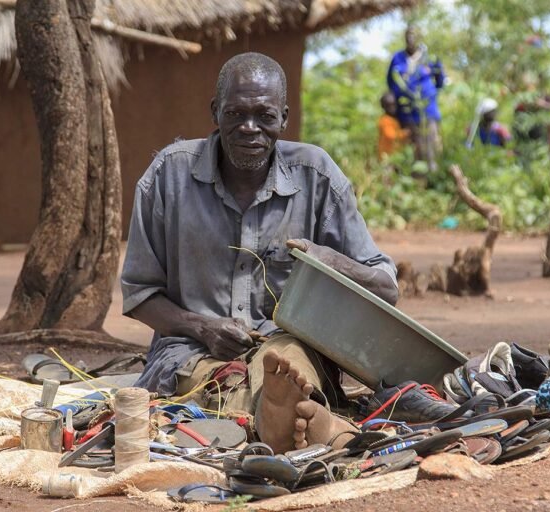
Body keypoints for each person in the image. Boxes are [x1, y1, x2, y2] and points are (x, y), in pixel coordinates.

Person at [121, 53, 400, 454]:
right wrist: (203, 328)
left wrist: (328, 260)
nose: (250, 128)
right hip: (192, 349)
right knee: (209, 381)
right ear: (215, 112)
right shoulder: (168, 177)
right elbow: (139, 295)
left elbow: (386, 288)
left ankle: (279, 411)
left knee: (289, 365)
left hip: (286, 347)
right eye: (235, 113)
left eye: (265, 116)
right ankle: (287, 420)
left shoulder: (317, 177)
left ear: (284, 118)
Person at [386, 24, 445, 172]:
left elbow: (440, 79)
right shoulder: (398, 58)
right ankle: (416, 182)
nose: (411, 38)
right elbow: (391, 82)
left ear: (420, 38)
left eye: (414, 35)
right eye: (408, 35)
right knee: (413, 149)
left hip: (428, 111)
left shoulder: (429, 57)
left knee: (431, 146)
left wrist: (430, 94)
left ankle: (434, 178)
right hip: (407, 114)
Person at [377, 91, 411, 159]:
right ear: (383, 106)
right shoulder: (384, 120)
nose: (392, 108)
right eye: (388, 105)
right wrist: (405, 133)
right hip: (387, 155)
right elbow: (391, 136)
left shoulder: (394, 119)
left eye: (393, 104)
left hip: (396, 155)